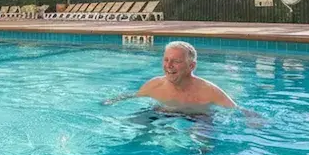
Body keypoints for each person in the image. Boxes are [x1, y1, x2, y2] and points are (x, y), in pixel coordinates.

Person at [104, 41, 260, 122]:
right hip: (162, 113)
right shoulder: (155, 84)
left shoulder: (209, 90)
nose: (169, 66)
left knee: (203, 146)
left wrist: (251, 116)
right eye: (166, 60)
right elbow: (134, 96)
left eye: (176, 61)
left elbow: (236, 109)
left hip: (199, 117)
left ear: (191, 66)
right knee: (133, 129)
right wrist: (114, 100)